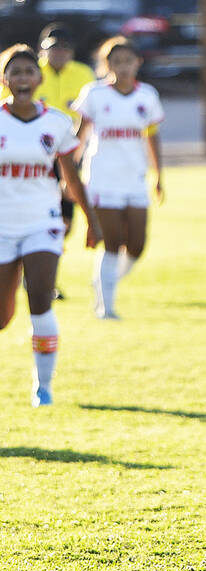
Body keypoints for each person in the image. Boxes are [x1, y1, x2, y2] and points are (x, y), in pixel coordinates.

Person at [0, 44, 101, 406]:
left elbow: (70, 178)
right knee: (2, 316)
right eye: (15, 72)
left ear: (39, 78)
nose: (22, 78)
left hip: (43, 222)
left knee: (41, 298)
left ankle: (43, 387)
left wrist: (91, 221)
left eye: (28, 72)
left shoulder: (55, 122)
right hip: (2, 227)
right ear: (5, 79)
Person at [73, 36, 164, 319]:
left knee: (137, 245)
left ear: (138, 62)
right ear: (106, 65)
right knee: (111, 243)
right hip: (102, 178)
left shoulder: (146, 95)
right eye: (116, 62)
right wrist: (69, 175)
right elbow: (81, 135)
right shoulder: (94, 94)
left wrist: (159, 174)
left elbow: (151, 136)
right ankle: (106, 307)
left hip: (135, 178)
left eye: (128, 61)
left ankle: (103, 280)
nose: (123, 67)